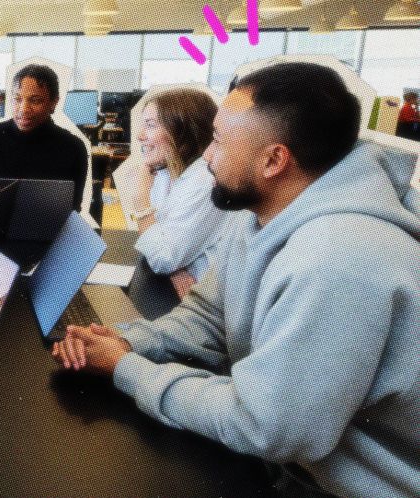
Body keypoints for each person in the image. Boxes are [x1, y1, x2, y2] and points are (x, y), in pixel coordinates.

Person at [53, 62, 420, 497]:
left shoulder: (338, 259)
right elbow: (209, 316)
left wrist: (126, 369)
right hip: (292, 465)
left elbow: (267, 425)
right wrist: (129, 340)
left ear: (273, 160)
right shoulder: (262, 214)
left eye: (219, 142)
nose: (207, 156)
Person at [130, 88, 234, 299]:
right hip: (182, 292)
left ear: (182, 130)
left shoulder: (205, 181)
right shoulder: (167, 173)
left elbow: (163, 257)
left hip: (208, 304)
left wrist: (141, 202)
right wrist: (175, 267)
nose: (140, 136)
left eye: (150, 125)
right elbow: (162, 245)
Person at [0, 64, 88, 217]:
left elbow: (72, 210)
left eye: (35, 100)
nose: (23, 109)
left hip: (50, 237)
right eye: (17, 99)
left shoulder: (73, 148)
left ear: (54, 102)